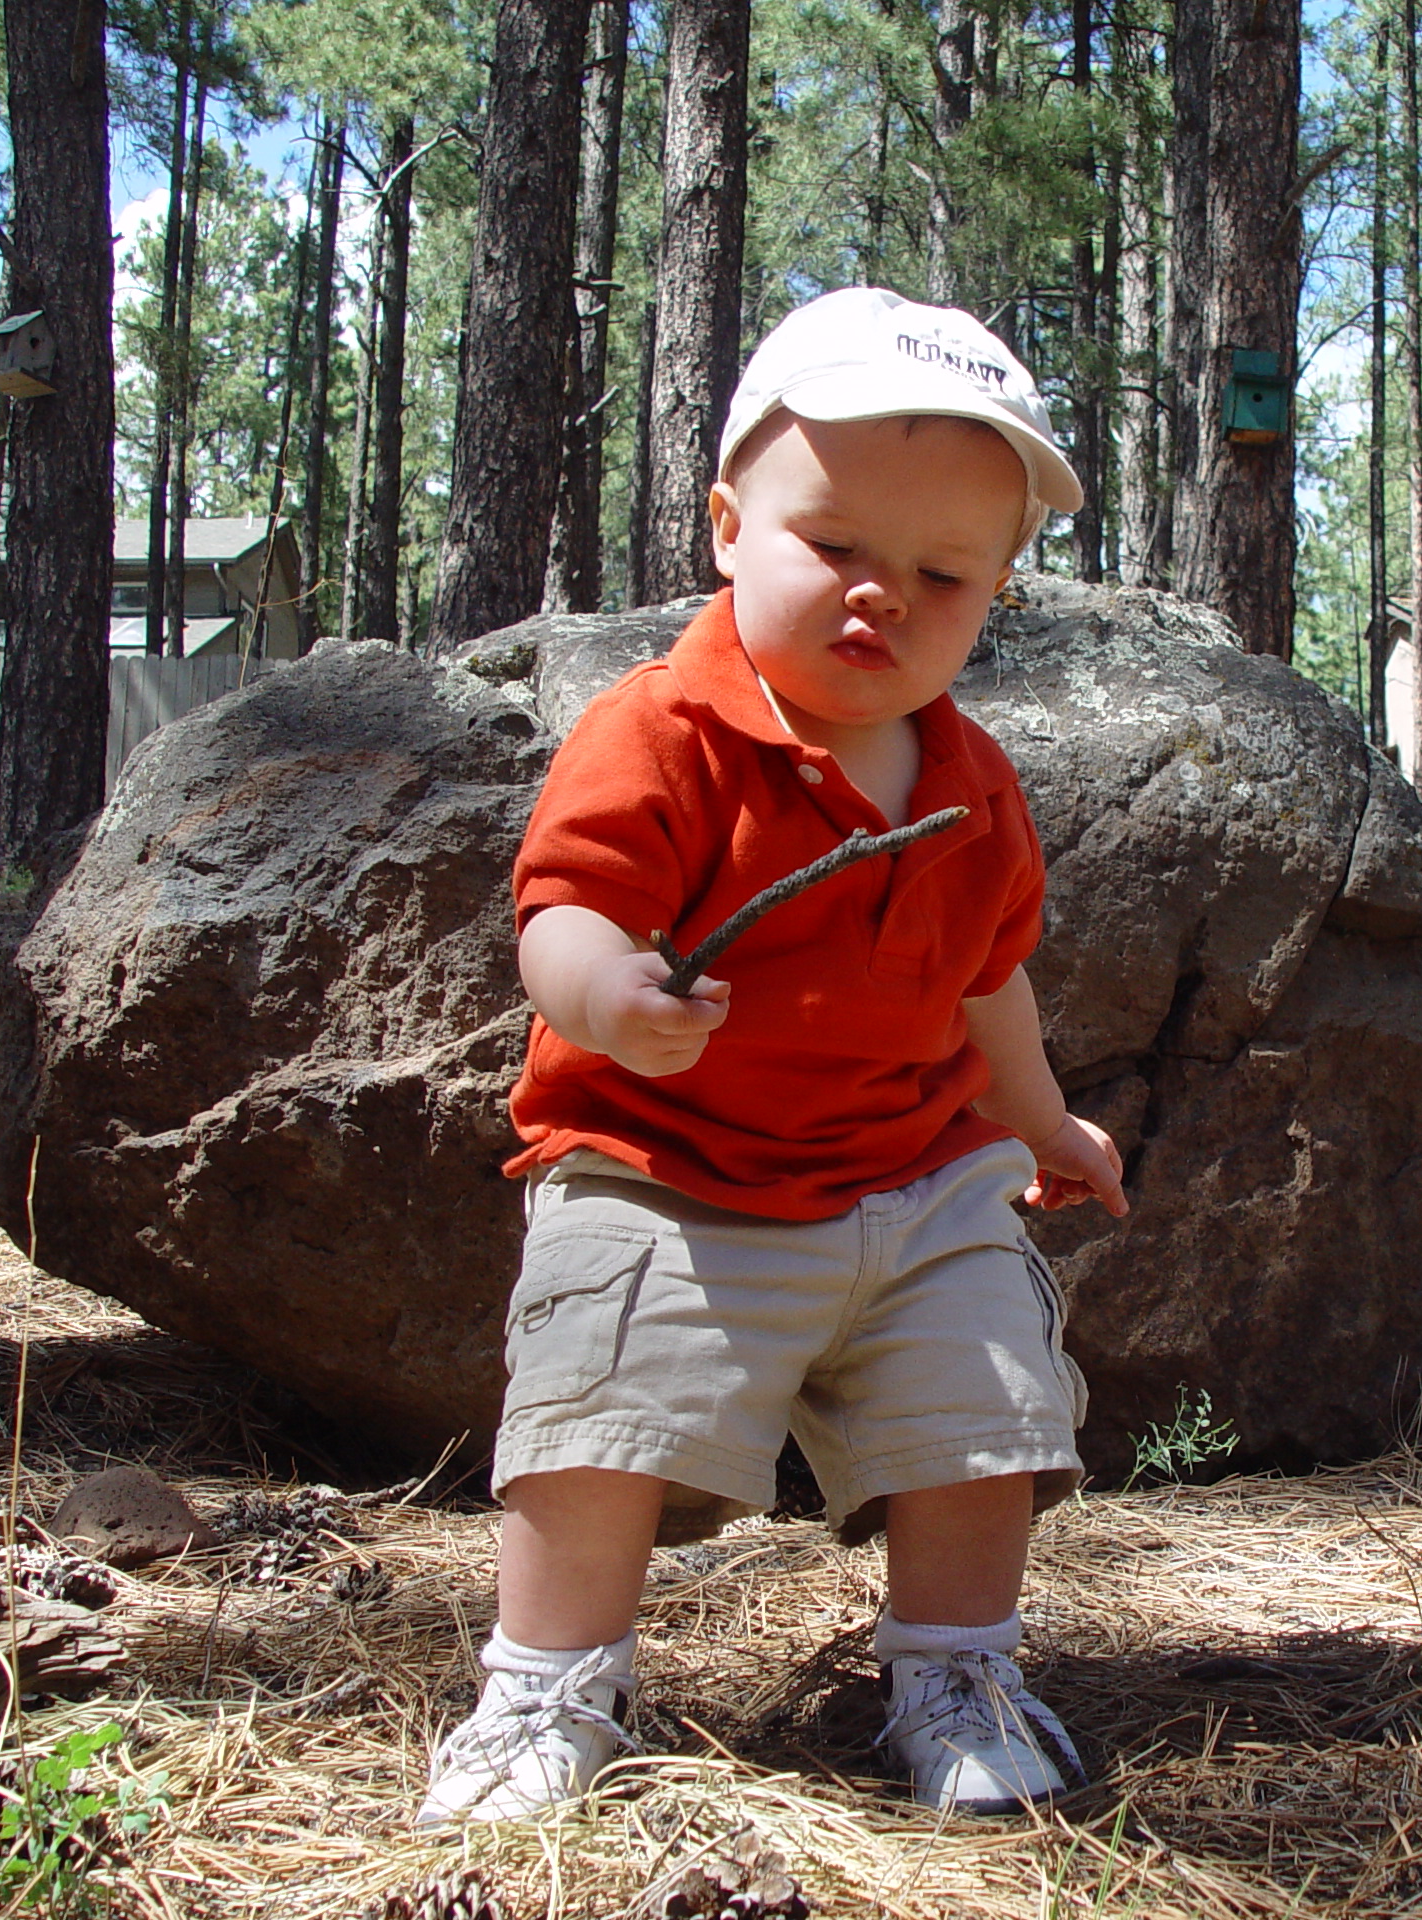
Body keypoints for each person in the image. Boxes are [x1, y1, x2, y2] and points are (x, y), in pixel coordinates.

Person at [419, 287, 1130, 1829]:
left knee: (986, 1400)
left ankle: (956, 1671)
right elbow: (563, 913)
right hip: (667, 1177)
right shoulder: (663, 729)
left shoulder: (972, 781)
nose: (884, 598)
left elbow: (985, 979)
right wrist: (609, 995)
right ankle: (549, 1677)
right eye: (838, 550)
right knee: (596, 1408)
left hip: (913, 1182)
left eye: (942, 574)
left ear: (994, 594)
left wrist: (1046, 1126)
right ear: (732, 526)